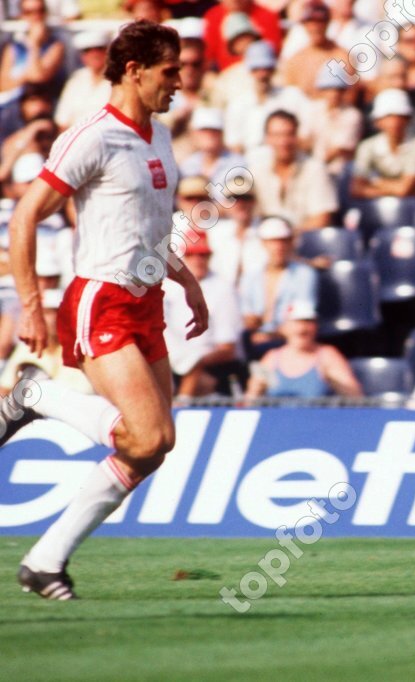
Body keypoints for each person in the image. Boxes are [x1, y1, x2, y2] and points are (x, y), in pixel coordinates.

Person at [4, 21, 209, 600]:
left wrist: (187, 280)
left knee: (154, 449)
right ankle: (37, 396)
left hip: (145, 301)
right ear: (135, 70)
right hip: (100, 298)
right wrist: (30, 306)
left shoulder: (158, 136)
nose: (179, 82)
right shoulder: (91, 135)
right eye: (170, 70)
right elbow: (24, 217)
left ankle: (45, 562)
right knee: (147, 436)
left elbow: (149, 228)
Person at [163, 233, 243, 397]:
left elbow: (227, 349)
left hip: (212, 368)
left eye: (203, 255)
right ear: (183, 257)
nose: (198, 260)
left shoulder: (223, 289)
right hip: (172, 361)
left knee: (193, 367)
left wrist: (192, 363)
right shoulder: (168, 287)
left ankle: (181, 406)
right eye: (192, 255)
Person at [246, 301, 362, 399]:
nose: (302, 328)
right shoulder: (271, 358)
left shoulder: (327, 356)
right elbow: (251, 397)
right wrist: (257, 387)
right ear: (284, 327)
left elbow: (355, 397)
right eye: (296, 321)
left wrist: (337, 382)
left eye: (307, 321)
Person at [239, 216, 318, 353]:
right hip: (255, 339)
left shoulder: (304, 274)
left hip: (287, 340)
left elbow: (302, 316)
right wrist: (251, 323)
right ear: (263, 243)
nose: (278, 247)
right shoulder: (251, 276)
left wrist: (271, 334)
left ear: (290, 243)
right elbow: (246, 314)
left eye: (283, 241)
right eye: (273, 242)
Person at [250, 110, 338, 230]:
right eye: (277, 135)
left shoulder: (315, 169)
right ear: (267, 138)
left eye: (289, 134)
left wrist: (287, 237)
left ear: (297, 137)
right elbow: (240, 207)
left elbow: (322, 218)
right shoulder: (256, 170)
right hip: (266, 240)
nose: (283, 141)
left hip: (305, 241)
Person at [350, 89, 415, 200]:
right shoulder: (367, 146)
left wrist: (374, 181)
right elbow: (356, 189)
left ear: (408, 119)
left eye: (400, 116)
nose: (394, 122)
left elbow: (403, 189)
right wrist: (394, 189)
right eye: (388, 116)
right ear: (377, 122)